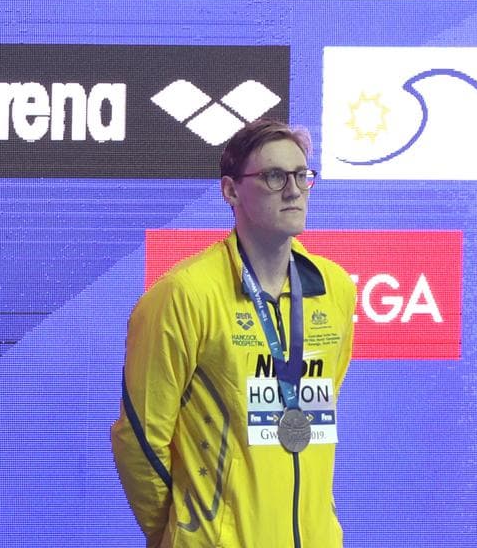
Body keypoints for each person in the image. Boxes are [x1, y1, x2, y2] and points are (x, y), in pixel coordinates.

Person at [111, 118, 356, 548]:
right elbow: (140, 438)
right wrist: (178, 531)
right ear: (230, 190)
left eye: (302, 175)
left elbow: (320, 409)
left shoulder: (334, 290)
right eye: (274, 176)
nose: (294, 190)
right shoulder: (183, 295)